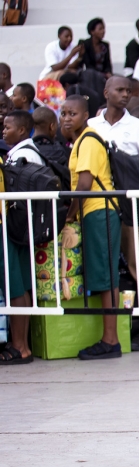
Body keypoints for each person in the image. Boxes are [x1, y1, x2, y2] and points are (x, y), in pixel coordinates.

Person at [86, 77, 139, 351]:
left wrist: (126, 165)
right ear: (106, 93)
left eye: (128, 91)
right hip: (101, 208)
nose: (125, 95)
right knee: (109, 271)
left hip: (130, 207)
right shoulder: (92, 126)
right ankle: (118, 330)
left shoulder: (138, 126)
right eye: (119, 90)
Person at [62, 95, 124, 359]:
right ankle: (108, 338)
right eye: (63, 113)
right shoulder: (80, 141)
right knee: (101, 275)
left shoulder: (87, 140)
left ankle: (111, 340)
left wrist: (69, 215)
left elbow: (84, 185)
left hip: (100, 212)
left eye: (72, 114)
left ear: (85, 115)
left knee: (106, 277)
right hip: (95, 213)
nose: (66, 118)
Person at [0, 110, 39, 364]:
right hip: (14, 227)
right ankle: (20, 345)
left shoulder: (21, 154)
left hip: (6, 228)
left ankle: (20, 347)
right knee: (19, 286)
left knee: (14, 286)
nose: (3, 130)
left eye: (7, 126)